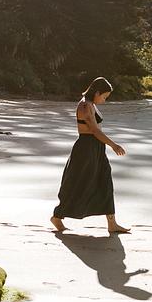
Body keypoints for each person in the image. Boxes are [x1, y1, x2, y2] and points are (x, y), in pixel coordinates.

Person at [51, 76, 129, 234]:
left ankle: (112, 224)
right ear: (97, 92)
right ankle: (57, 216)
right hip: (86, 149)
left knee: (105, 182)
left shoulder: (91, 104)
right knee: (77, 183)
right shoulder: (85, 106)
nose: (105, 100)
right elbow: (94, 131)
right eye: (104, 97)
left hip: (96, 148)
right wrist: (113, 145)